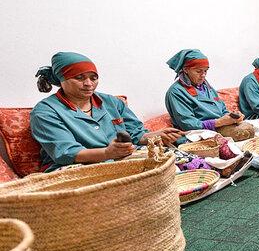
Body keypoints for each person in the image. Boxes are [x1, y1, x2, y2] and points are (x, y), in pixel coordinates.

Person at [31, 52, 181, 171]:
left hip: (120, 159)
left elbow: (136, 134)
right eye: (79, 78)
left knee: (181, 160)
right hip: (77, 167)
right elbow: (66, 153)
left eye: (93, 78)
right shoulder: (45, 112)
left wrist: (156, 136)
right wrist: (107, 153)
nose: (88, 84)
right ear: (61, 79)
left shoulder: (111, 102)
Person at [164, 49, 244, 131]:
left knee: (250, 129)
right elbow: (188, 124)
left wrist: (232, 116)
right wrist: (219, 122)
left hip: (220, 127)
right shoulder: (176, 92)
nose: (203, 75)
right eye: (198, 71)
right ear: (185, 70)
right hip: (197, 133)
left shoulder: (206, 86)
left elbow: (222, 109)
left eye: (205, 71)